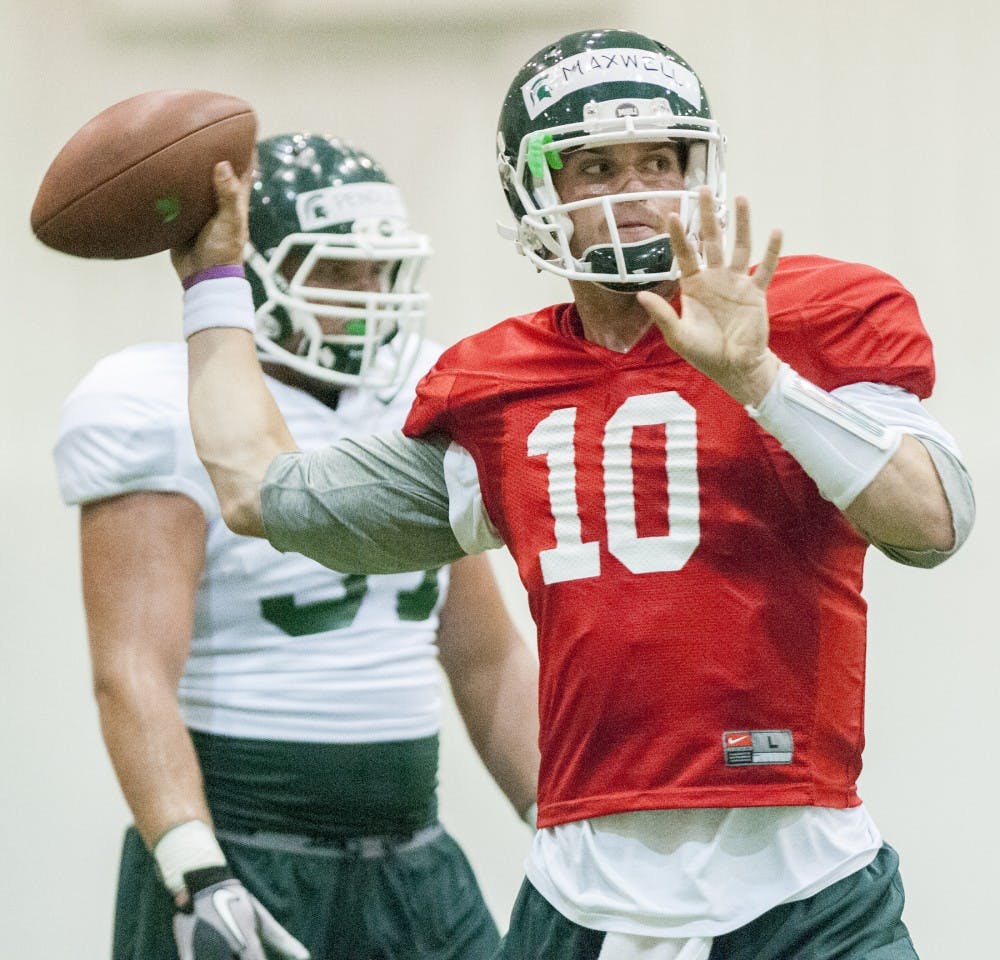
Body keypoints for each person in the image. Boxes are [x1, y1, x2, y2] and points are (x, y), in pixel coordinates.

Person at [172, 30, 975, 960]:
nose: (635, 193)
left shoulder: (819, 319)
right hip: (583, 896)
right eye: (595, 166)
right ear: (532, 192)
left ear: (700, 172)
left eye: (660, 160)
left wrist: (764, 381)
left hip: (807, 883)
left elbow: (933, 524)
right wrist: (212, 285)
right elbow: (259, 492)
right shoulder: (497, 389)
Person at [54, 132, 539, 960]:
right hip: (244, 843)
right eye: (337, 272)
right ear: (252, 272)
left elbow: (484, 655)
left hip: (411, 848)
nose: (369, 294)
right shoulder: (157, 402)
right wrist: (194, 867)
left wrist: (575, 825)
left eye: (378, 269)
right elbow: (131, 671)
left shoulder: (426, 386)